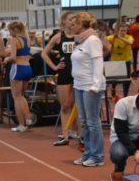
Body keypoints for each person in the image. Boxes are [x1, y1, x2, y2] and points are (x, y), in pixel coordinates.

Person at [70, 12, 106, 167]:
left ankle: (97, 156)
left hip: (90, 86)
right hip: (79, 85)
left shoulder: (92, 40)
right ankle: (87, 153)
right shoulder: (80, 41)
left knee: (92, 122)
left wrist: (96, 85)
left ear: (81, 25)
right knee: (84, 122)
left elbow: (98, 62)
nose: (71, 27)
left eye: (74, 24)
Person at [42, 11, 80, 146]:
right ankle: (65, 135)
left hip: (78, 73)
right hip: (64, 73)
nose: (73, 21)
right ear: (64, 21)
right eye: (70, 19)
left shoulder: (79, 35)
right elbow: (44, 53)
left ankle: (77, 133)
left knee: (77, 106)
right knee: (65, 105)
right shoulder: (59, 37)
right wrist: (54, 67)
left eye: (75, 19)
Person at [4, 21, 32, 132]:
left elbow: (13, 57)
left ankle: (21, 124)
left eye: (10, 30)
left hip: (18, 68)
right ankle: (28, 118)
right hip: (27, 68)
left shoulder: (15, 40)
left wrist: (6, 59)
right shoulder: (27, 39)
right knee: (21, 96)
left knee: (16, 97)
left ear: (15, 30)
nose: (9, 33)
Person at [106, 23, 134, 98]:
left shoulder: (129, 37)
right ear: (117, 31)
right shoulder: (112, 37)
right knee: (114, 79)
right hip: (116, 61)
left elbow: (130, 43)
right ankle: (113, 88)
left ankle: (125, 95)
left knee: (127, 80)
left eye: (125, 30)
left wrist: (119, 37)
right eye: (121, 31)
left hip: (126, 61)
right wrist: (109, 45)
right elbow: (104, 41)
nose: (123, 32)